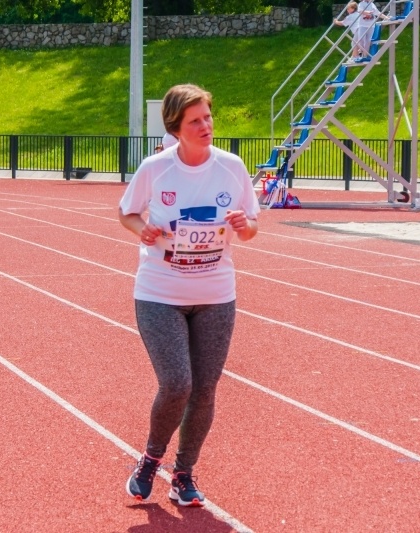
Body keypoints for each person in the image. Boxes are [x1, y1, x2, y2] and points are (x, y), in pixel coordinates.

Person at [118, 84, 259, 507]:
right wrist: (140, 229)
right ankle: (150, 459)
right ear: (176, 127)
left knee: (205, 389)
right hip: (160, 292)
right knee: (178, 382)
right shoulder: (156, 168)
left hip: (216, 294)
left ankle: (184, 474)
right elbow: (126, 212)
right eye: (196, 120)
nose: (206, 126)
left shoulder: (231, 167)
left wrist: (242, 225)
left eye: (209, 117)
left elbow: (252, 227)